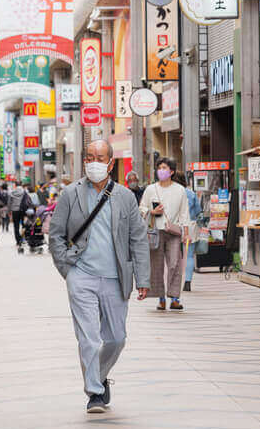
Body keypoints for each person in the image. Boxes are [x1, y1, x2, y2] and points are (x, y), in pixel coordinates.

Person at [49, 139, 150, 414]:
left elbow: (138, 238)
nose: (94, 161)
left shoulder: (126, 197)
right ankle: (94, 392)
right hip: (81, 275)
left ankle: (100, 375)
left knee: (116, 338)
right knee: (89, 339)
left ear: (111, 162)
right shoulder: (71, 194)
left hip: (116, 277)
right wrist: (67, 271)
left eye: (100, 156)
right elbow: (56, 234)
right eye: (90, 156)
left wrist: (143, 278)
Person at [140, 157, 190, 311]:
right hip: (155, 232)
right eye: (159, 168)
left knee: (175, 263)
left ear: (172, 171)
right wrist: (152, 211)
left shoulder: (180, 190)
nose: (161, 170)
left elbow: (184, 213)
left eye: (164, 168)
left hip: (173, 231)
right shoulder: (150, 189)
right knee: (157, 266)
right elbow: (141, 208)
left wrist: (186, 233)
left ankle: (174, 298)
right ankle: (161, 299)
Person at [175, 175, 203, 292]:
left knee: (174, 255)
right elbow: (198, 211)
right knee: (189, 255)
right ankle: (187, 281)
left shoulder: (172, 192)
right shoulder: (191, 193)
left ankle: (174, 281)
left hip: (174, 226)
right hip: (190, 225)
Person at [9, 180, 28, 249]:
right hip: (23, 210)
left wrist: (9, 211)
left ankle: (18, 240)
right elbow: (28, 201)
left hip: (15, 211)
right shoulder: (25, 192)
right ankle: (23, 238)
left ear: (15, 185)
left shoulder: (12, 192)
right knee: (24, 225)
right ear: (21, 184)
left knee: (16, 226)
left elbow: (9, 203)